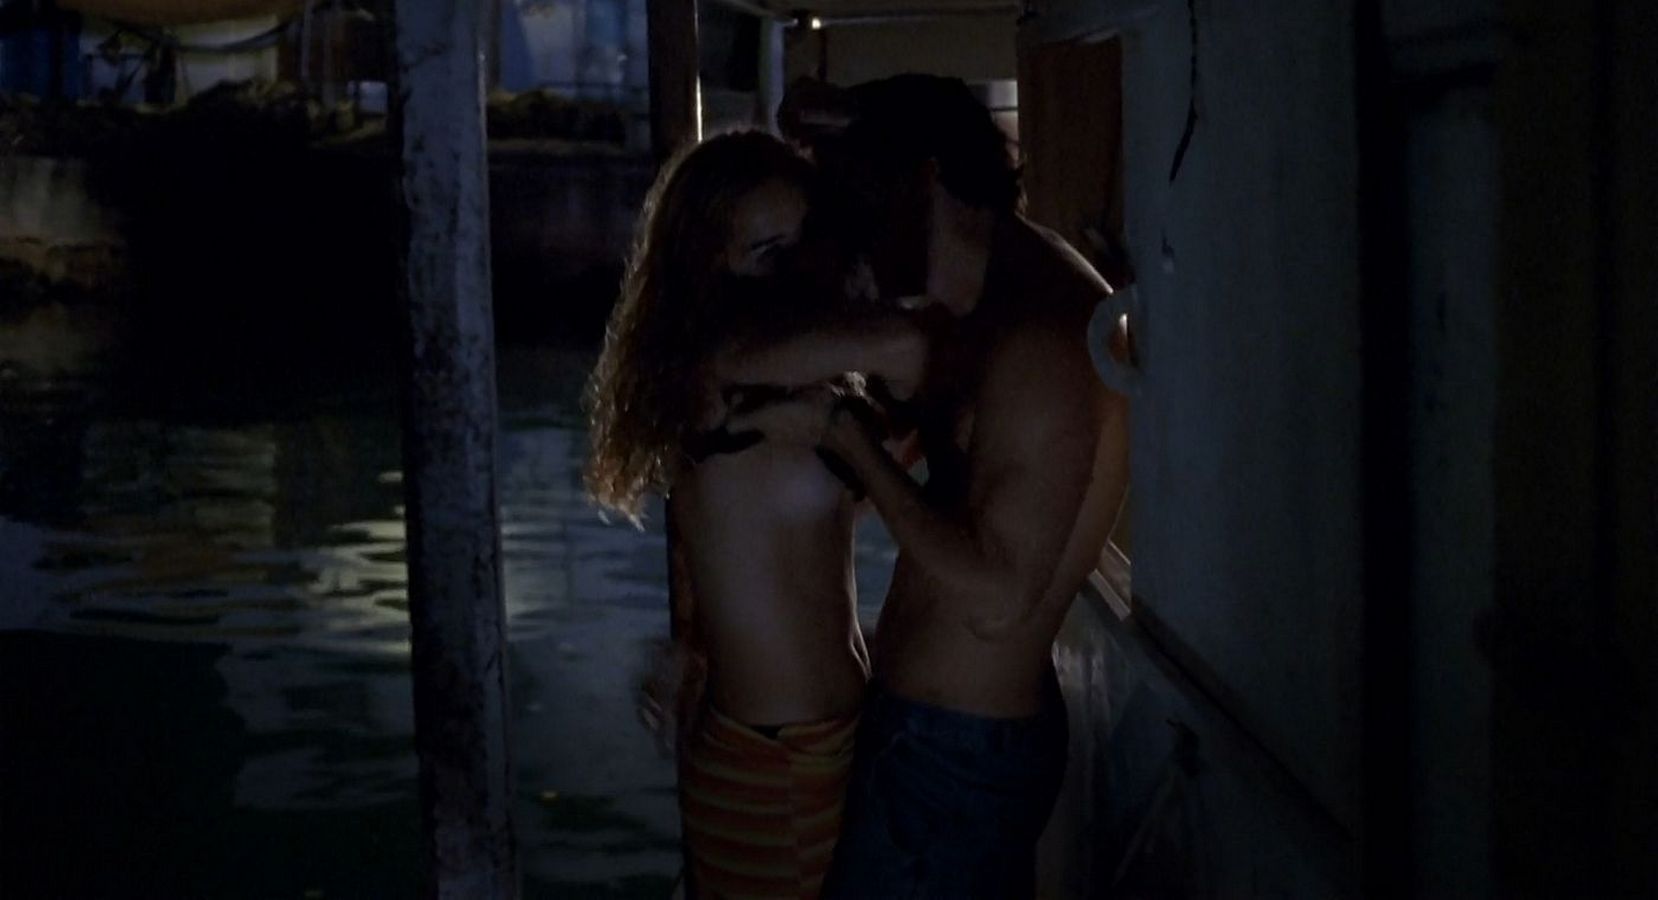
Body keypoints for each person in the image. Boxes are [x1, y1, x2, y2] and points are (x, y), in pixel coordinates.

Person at [721, 74, 1132, 898]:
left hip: (956, 754)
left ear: (928, 177)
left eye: (865, 201)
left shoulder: (1044, 338)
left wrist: (844, 437)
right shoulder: (989, 299)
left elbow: (1000, 592)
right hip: (933, 734)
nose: (856, 236)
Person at [584, 129, 924, 899]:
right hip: (778, 767)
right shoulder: (721, 364)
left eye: (804, 243)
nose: (794, 270)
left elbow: (767, 536)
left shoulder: (778, 390)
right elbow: (906, 345)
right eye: (769, 253)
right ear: (709, 262)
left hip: (810, 746)